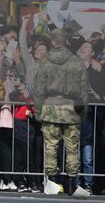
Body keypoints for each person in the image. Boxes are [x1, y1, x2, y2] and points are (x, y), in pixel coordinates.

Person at [33, 28, 90, 196]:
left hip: (50, 108)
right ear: (66, 41)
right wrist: (83, 112)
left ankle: (52, 183)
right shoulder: (77, 62)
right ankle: (72, 183)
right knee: (72, 148)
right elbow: (84, 90)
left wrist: (38, 112)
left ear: (52, 42)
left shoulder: (45, 63)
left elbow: (38, 90)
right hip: (71, 109)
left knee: (50, 147)